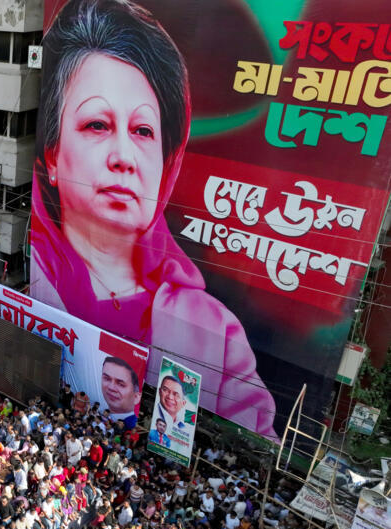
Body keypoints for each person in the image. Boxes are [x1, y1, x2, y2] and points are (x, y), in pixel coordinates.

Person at [28, 0, 276, 436]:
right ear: (51, 153)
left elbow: (253, 451)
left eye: (143, 131)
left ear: (166, 161)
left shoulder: (216, 334)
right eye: (97, 125)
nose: (124, 157)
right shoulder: (26, 275)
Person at [100, 355, 141, 429]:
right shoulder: (100, 410)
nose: (111, 387)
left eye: (121, 384)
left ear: (136, 397)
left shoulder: (131, 424)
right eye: (107, 379)